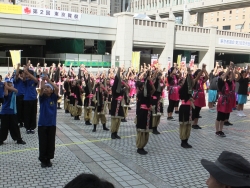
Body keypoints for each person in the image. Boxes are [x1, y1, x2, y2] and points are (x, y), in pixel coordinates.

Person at [38, 74, 59, 168]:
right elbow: (41, 90)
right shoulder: (42, 98)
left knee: (50, 142)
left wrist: (49, 80)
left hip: (51, 124)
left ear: (51, 90)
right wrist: (43, 81)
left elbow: (57, 88)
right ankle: (43, 160)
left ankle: (48, 159)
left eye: (48, 88)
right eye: (45, 87)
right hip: (42, 124)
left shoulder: (53, 98)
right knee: (43, 142)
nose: (46, 89)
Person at [0, 78, 26, 145]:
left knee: (15, 126)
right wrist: (6, 86)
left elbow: (16, 90)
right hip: (5, 112)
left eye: (11, 84)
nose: (11, 85)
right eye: (9, 84)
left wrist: (6, 85)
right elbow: (5, 94)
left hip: (12, 112)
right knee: (3, 127)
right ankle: (1, 139)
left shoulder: (13, 91)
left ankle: (18, 139)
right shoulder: (4, 91)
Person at [136, 72, 155, 155]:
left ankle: (143, 146)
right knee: (142, 130)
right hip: (142, 113)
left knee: (146, 130)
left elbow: (154, 89)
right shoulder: (141, 93)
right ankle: (139, 147)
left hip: (148, 113)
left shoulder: (148, 94)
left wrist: (150, 81)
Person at [178, 67, 194, 148]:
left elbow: (191, 82)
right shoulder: (182, 89)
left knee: (188, 125)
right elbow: (187, 84)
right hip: (184, 108)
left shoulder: (189, 90)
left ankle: (186, 140)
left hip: (189, 108)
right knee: (184, 125)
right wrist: (188, 73)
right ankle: (183, 141)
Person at [192, 64, 208, 129]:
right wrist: (202, 69)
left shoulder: (201, 80)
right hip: (196, 96)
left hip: (201, 96)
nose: (201, 75)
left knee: (198, 110)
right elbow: (198, 76)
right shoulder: (194, 80)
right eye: (199, 74)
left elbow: (207, 77)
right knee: (195, 110)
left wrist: (204, 70)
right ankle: (193, 123)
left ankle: (196, 123)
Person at [23, 66, 38, 134]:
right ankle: (27, 128)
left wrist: (28, 73)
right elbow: (23, 79)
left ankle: (32, 128)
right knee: (27, 114)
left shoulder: (34, 81)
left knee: (33, 114)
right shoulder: (26, 81)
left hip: (33, 99)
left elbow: (36, 80)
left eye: (29, 74)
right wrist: (25, 72)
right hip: (26, 99)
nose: (27, 76)